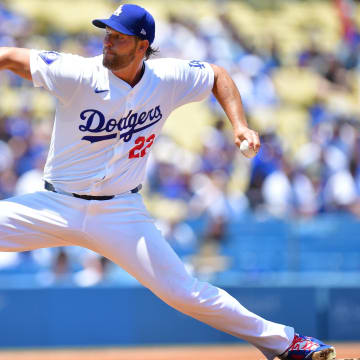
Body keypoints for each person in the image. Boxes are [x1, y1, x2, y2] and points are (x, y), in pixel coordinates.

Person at [0, 4, 336, 360]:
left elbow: (218, 75)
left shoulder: (168, 78)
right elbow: (6, 55)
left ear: (142, 46)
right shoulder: (77, 73)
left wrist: (239, 124)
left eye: (118, 37)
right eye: (106, 34)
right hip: (57, 204)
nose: (107, 42)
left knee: (184, 291)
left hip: (120, 211)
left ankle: (288, 344)